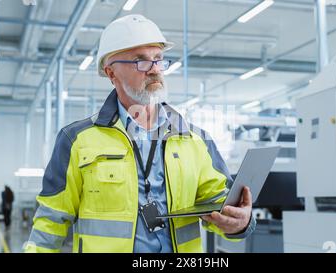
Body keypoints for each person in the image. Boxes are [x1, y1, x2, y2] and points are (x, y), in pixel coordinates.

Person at [25, 14, 256, 253]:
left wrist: (240, 222)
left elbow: (221, 205)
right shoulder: (77, 141)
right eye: (141, 61)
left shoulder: (196, 140)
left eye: (158, 59)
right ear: (111, 73)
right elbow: (50, 223)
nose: (155, 69)